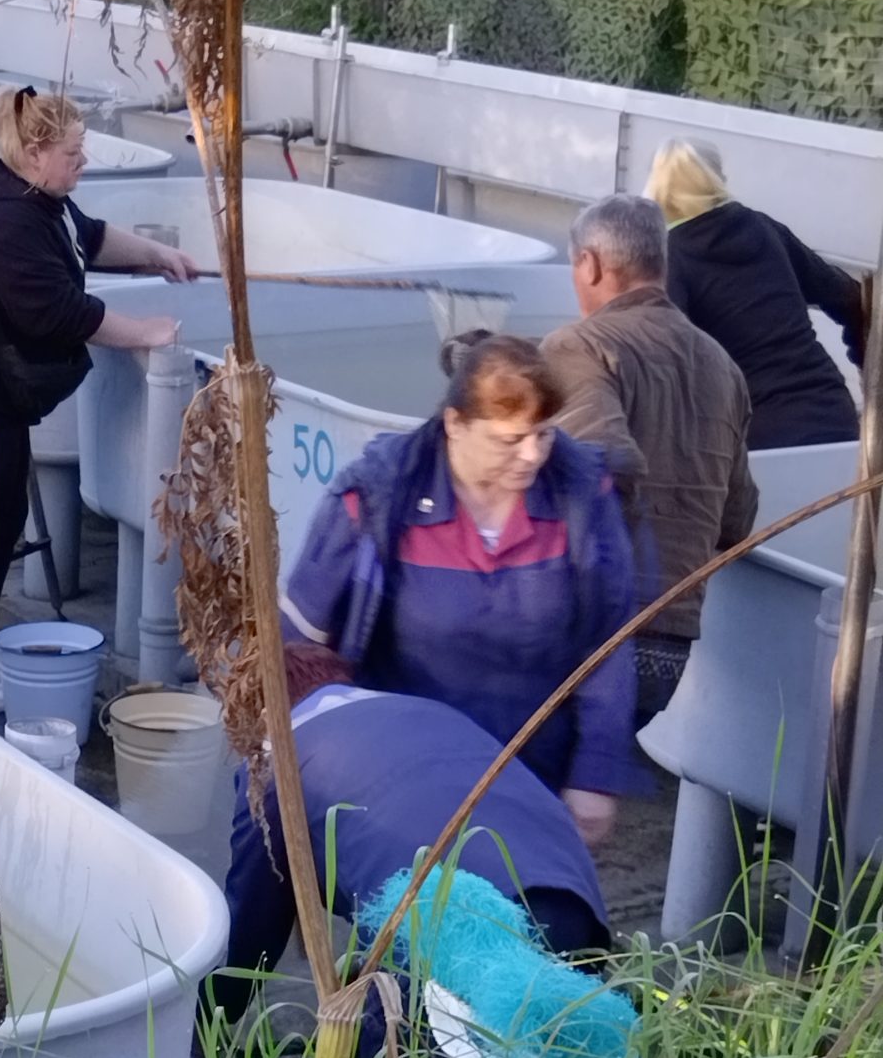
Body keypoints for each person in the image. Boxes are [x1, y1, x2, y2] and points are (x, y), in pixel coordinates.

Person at [281, 331, 637, 848]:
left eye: (543, 433)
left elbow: (608, 642)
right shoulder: (376, 498)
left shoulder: (581, 497)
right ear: (455, 425)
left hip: (534, 772)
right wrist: (301, 766)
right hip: (401, 772)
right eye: (509, 440)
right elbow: (300, 640)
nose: (533, 455)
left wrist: (595, 774)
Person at [0, 85, 191, 686]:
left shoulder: (43, 200)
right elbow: (60, 314)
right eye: (74, 152)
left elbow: (89, 237)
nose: (83, 161)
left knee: (1, 523)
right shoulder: (3, 224)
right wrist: (145, 330)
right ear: (36, 152)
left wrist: (157, 254)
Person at [223, 642, 612, 998]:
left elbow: (254, 913)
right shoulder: (430, 710)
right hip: (571, 899)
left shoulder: (274, 761)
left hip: (451, 930)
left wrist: (207, 1020)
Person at [542, 192, 757, 721]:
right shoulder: (722, 365)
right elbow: (737, 522)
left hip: (584, 634)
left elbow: (601, 467)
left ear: (589, 264)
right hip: (669, 645)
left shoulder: (578, 346)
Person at [644, 139, 864, 450]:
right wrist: (862, 357)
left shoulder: (670, 258)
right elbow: (849, 297)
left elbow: (664, 366)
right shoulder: (764, 229)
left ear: (657, 187)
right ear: (718, 177)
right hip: (831, 412)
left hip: (752, 435)